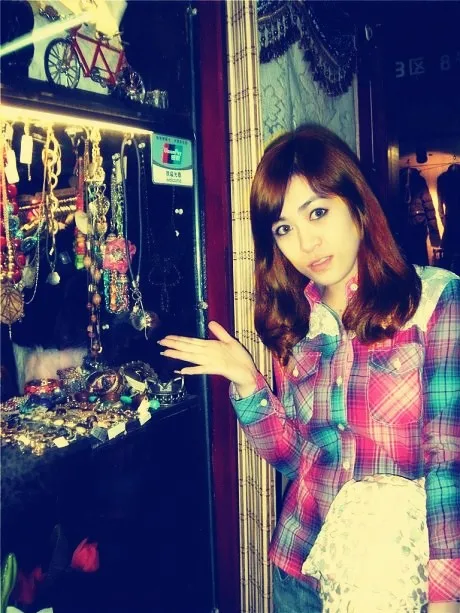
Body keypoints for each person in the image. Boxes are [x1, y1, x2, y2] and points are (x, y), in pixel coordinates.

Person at [158, 125, 460, 612]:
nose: (306, 242)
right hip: (301, 571)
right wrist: (247, 382)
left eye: (317, 212)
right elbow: (298, 458)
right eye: (283, 228)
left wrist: (447, 594)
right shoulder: (298, 326)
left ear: (356, 203)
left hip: (394, 580)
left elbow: (448, 456)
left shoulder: (432, 301)